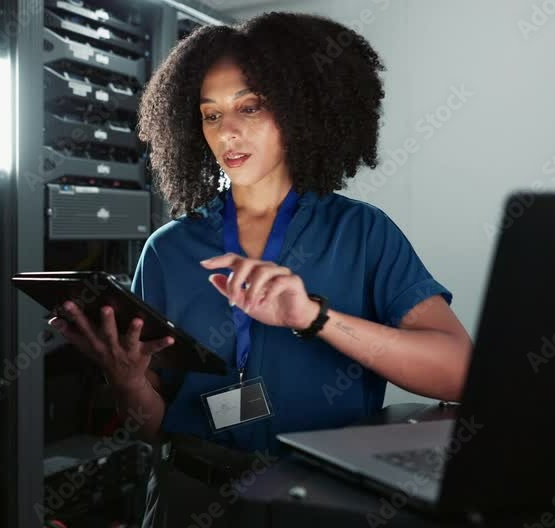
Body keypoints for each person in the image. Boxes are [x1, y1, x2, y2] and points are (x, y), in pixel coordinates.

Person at [46, 11, 473, 527]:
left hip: (322, 501)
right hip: (190, 495)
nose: (228, 131)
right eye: (210, 114)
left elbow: (460, 372)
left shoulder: (362, 233)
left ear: (299, 110)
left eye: (250, 106)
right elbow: (153, 426)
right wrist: (128, 380)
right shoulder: (168, 250)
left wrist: (315, 318)